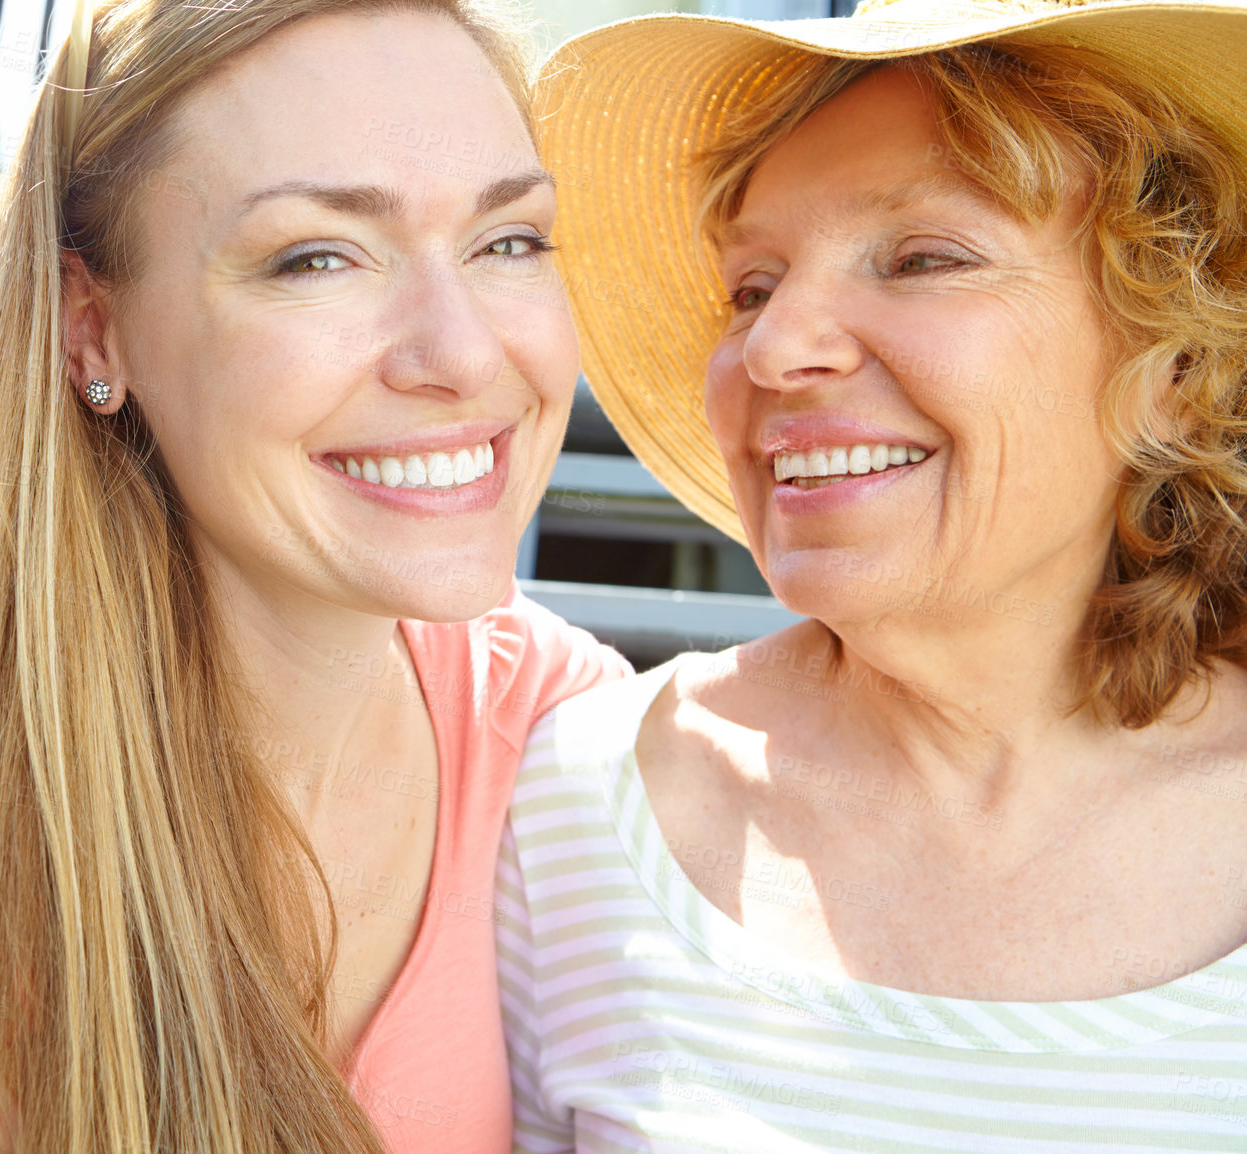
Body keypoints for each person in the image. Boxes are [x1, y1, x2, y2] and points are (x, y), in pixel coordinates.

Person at [0, 1, 631, 1151]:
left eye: (509, 239)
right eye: (315, 257)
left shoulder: (564, 729)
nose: (466, 353)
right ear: (92, 330)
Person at [496, 0, 1247, 1147]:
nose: (773, 345)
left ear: (1174, 366)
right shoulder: (575, 807)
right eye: (750, 286)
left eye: (921, 258)